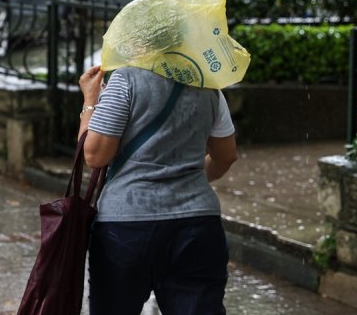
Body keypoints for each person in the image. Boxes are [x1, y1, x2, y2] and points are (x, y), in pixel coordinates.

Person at [78, 62, 238, 314]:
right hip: (197, 223)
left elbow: (95, 155)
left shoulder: (125, 80)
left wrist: (90, 99)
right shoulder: (208, 84)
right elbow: (226, 156)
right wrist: (187, 177)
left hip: (126, 226)